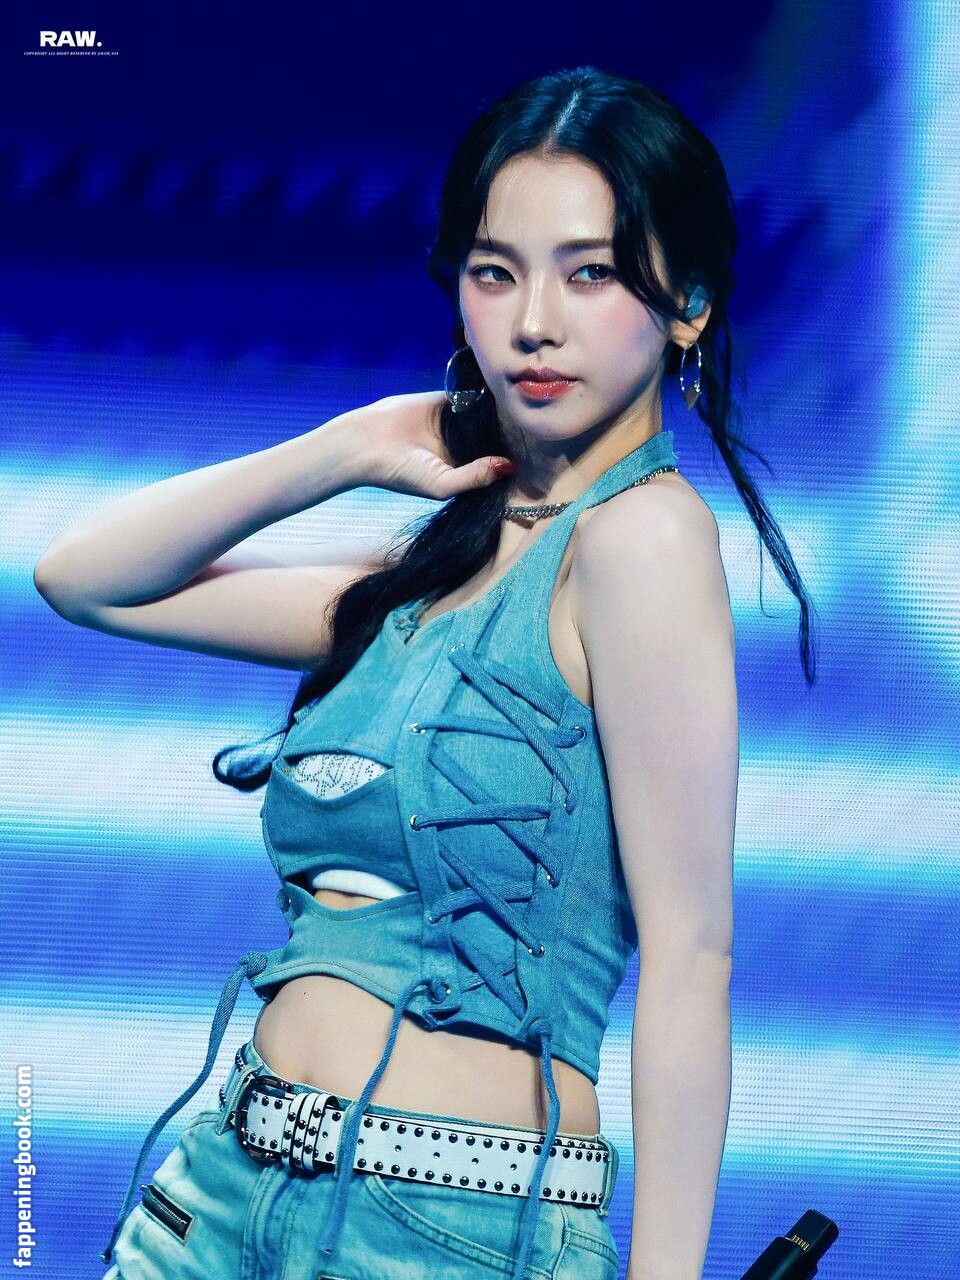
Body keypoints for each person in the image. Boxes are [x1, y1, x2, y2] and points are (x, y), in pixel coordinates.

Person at [35, 65, 816, 1280]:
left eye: (590, 272)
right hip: (218, 1196)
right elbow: (85, 578)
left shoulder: (645, 540)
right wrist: (345, 447)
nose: (534, 320)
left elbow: (692, 953)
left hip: (448, 1229)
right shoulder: (432, 567)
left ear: (691, 303)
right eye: (495, 271)